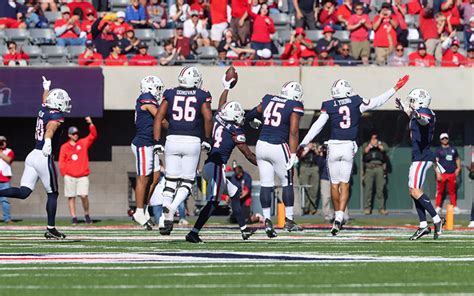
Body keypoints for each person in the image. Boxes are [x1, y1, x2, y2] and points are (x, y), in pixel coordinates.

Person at [299, 75, 409, 235]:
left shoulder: (329, 105)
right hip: (348, 147)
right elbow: (378, 101)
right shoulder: (356, 101)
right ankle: (339, 216)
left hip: (334, 147)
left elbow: (318, 125)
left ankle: (336, 215)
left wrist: (304, 142)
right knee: (345, 184)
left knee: (334, 185)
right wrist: (394, 88)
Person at [185, 73, 257, 243]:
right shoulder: (235, 131)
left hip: (209, 166)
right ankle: (194, 232)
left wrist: (226, 87)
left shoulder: (218, 117)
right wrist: (265, 163)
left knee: (234, 192)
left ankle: (244, 229)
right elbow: (248, 154)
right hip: (217, 166)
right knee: (214, 201)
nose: (241, 118)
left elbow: (222, 104)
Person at [0, 76, 72, 239]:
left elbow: (44, 100)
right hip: (43, 156)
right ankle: (51, 228)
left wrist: (46, 88)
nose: (66, 104)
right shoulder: (56, 117)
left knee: (24, 192)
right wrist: (48, 142)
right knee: (53, 193)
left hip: (32, 155)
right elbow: (50, 128)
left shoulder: (44, 109)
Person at [153, 66, 213, 235]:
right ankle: (171, 208)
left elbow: (159, 117)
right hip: (192, 140)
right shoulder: (201, 95)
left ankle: (164, 217)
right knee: (187, 181)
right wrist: (207, 139)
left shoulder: (170, 93)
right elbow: (208, 117)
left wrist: (157, 141)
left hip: (171, 139)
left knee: (170, 179)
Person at [245, 81, 305, 238]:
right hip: (278, 145)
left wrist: (252, 120)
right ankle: (289, 220)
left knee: (266, 183)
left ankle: (267, 220)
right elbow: (293, 132)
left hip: (261, 145)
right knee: (288, 182)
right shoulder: (294, 105)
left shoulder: (268, 99)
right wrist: (293, 153)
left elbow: (251, 114)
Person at [395, 89, 445, 240]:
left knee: (415, 191)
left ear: (421, 101)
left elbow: (424, 120)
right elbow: (415, 117)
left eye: (413, 100)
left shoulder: (425, 112)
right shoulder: (419, 113)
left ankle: (436, 219)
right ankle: (423, 225)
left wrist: (417, 114)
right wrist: (404, 107)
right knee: (413, 191)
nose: (411, 102)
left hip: (422, 157)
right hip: (420, 156)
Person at [131, 75, 165, 229]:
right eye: (157, 88)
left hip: (150, 143)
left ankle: (144, 207)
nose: (159, 92)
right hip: (143, 143)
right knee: (143, 177)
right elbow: (160, 117)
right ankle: (138, 211)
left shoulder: (149, 99)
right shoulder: (146, 98)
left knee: (156, 176)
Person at [59, 117, 98, 225]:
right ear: (69, 135)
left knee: (84, 195)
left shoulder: (83, 143)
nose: (76, 135)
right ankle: (74, 217)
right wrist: (64, 173)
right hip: (70, 176)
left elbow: (93, 135)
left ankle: (86, 214)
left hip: (82, 175)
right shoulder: (64, 147)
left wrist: (91, 123)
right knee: (71, 197)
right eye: (73, 133)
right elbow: (61, 161)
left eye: (76, 133)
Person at [362, 133, 389, 215]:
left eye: (375, 138)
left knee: (380, 189)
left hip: (379, 168)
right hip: (369, 168)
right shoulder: (366, 144)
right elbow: (364, 151)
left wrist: (379, 146)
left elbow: (386, 149)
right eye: (372, 138)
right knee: (368, 189)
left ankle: (381, 208)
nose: (374, 140)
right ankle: (367, 208)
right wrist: (370, 146)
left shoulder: (381, 144)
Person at [435, 133, 461, 214]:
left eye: (446, 138)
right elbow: (436, 162)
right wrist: (438, 173)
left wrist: (458, 168)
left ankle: (454, 206)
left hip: (451, 173)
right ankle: (438, 207)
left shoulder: (453, 149)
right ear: (440, 140)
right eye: (443, 139)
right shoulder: (438, 150)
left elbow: (457, 159)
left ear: (448, 139)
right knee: (440, 191)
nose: (444, 140)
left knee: (452, 191)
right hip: (442, 173)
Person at [298, 142, 320, 215]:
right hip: (305, 166)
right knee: (305, 188)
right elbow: (300, 156)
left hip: (314, 166)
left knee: (314, 189)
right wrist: (307, 149)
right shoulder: (302, 145)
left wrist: (315, 149)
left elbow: (319, 156)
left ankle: (313, 208)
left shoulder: (316, 145)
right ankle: (306, 208)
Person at [0, 136, 14, 224]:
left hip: (5, 179)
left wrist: (1, 153)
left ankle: (7, 218)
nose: (2, 143)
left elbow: (9, 160)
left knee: (4, 200)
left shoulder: (9, 151)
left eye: (3, 141)